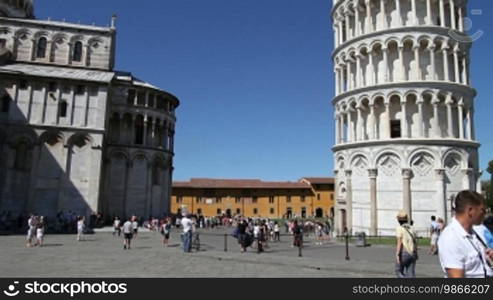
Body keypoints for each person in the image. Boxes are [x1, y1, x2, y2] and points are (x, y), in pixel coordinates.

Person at [438, 191, 493, 278]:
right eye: (482, 210)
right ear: (470, 211)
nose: (485, 214)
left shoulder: (475, 232)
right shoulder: (451, 238)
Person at [395, 210, 418, 278]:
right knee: (411, 273)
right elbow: (414, 242)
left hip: (404, 253)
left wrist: (397, 254)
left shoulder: (399, 228)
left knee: (398, 271)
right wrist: (416, 253)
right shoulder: (412, 228)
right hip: (412, 253)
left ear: (399, 220)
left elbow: (399, 243)